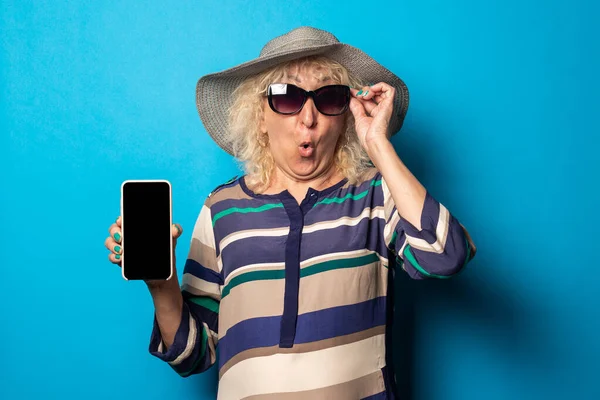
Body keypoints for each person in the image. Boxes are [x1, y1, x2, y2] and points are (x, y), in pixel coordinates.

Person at [104, 26, 476, 400]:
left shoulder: (375, 195)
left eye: (329, 98)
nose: (309, 117)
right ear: (260, 117)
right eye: (286, 97)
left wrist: (377, 144)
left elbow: (445, 255)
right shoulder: (221, 209)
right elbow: (192, 356)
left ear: (346, 115)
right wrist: (160, 283)